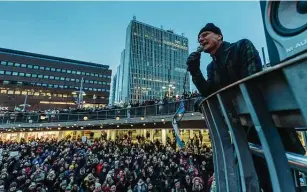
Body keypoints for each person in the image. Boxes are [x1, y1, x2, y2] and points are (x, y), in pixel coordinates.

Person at [187, 23, 305, 192]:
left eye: (205, 34)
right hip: (245, 134)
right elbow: (210, 92)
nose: (201, 39)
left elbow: (251, 81)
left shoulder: (242, 46)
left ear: (219, 36)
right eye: (199, 37)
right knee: (265, 181)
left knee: (288, 176)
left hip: (269, 126)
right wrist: (195, 72)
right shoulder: (211, 67)